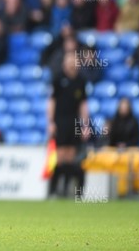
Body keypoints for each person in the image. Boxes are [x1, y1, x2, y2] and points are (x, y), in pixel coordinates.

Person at [47, 51, 89, 198]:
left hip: (73, 122)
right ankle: (54, 190)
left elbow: (83, 105)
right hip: (60, 122)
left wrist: (85, 125)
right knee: (60, 157)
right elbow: (51, 102)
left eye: (74, 60)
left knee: (71, 157)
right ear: (64, 62)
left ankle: (68, 190)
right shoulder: (58, 79)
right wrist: (51, 122)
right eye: (69, 60)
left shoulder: (81, 81)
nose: (71, 63)